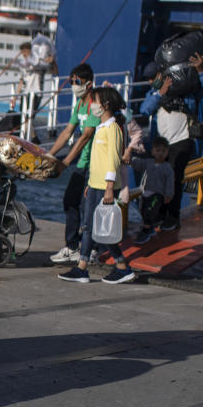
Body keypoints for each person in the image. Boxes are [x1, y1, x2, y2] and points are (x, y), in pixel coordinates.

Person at [58, 86, 135, 285]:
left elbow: (112, 160)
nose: (92, 105)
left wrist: (109, 187)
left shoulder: (113, 129)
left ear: (106, 105)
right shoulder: (101, 128)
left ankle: (118, 267)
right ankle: (86, 268)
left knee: (99, 229)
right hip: (95, 184)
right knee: (91, 227)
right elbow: (98, 160)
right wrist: (91, 183)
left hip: (105, 186)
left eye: (96, 101)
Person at [138, 53, 203, 231]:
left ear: (162, 73)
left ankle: (172, 217)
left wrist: (201, 70)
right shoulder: (154, 93)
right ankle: (158, 215)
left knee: (173, 179)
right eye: (148, 79)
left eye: (153, 77)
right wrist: (160, 92)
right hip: (161, 144)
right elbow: (145, 109)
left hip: (182, 140)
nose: (150, 81)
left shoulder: (185, 91)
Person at [46, 63, 100, 263]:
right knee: (70, 200)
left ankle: (91, 248)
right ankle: (71, 246)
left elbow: (86, 135)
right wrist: (48, 156)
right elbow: (68, 132)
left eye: (77, 82)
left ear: (88, 83)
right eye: (72, 82)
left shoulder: (95, 103)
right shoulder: (79, 105)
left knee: (89, 207)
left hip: (96, 164)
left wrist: (65, 162)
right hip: (83, 162)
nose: (74, 85)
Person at [123, 135, 174, 244]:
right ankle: (150, 229)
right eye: (158, 150)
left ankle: (144, 232)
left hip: (157, 194)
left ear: (167, 152)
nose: (160, 153)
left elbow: (170, 182)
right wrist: (130, 160)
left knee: (148, 213)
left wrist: (168, 194)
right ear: (153, 151)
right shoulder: (148, 163)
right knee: (142, 211)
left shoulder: (167, 167)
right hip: (145, 193)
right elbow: (138, 164)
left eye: (163, 151)